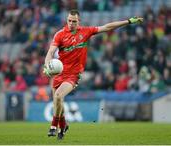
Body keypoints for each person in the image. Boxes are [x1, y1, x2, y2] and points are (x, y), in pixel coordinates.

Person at [43, 9, 143, 140]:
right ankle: (63, 125)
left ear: (79, 21)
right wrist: (47, 65)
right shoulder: (60, 35)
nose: (71, 23)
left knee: (58, 96)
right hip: (60, 72)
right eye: (69, 21)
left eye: (74, 21)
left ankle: (53, 126)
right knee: (57, 101)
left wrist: (128, 21)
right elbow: (50, 52)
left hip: (74, 73)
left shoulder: (86, 32)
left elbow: (107, 27)